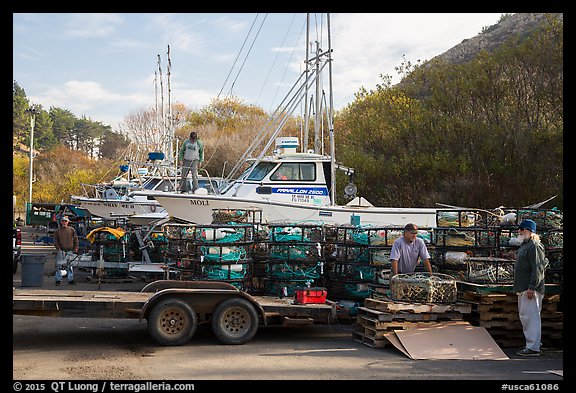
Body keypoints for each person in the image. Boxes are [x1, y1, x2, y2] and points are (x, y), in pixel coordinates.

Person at [513, 219, 548, 357]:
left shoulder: (534, 246)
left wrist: (532, 288)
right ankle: (532, 344)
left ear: (528, 231)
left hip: (530, 289)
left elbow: (538, 268)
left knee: (531, 317)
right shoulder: (525, 245)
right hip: (524, 287)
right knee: (526, 317)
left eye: (522, 229)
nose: (519, 232)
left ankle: (533, 347)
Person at [53, 216, 79, 285]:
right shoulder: (58, 231)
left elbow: (76, 239)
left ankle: (70, 279)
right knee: (59, 265)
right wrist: (58, 248)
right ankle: (58, 280)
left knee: (70, 265)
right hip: (61, 250)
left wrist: (76, 247)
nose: (64, 222)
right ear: (61, 222)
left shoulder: (72, 230)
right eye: (63, 221)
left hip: (70, 250)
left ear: (68, 222)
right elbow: (55, 241)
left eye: (65, 221)